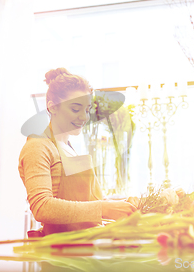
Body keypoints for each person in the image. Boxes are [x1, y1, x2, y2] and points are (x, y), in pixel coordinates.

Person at [18, 67, 138, 235]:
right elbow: (42, 207)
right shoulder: (38, 146)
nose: (84, 117)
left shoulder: (68, 148)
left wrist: (117, 204)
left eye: (87, 110)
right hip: (60, 255)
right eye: (75, 109)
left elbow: (84, 203)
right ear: (52, 107)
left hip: (85, 247)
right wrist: (103, 208)